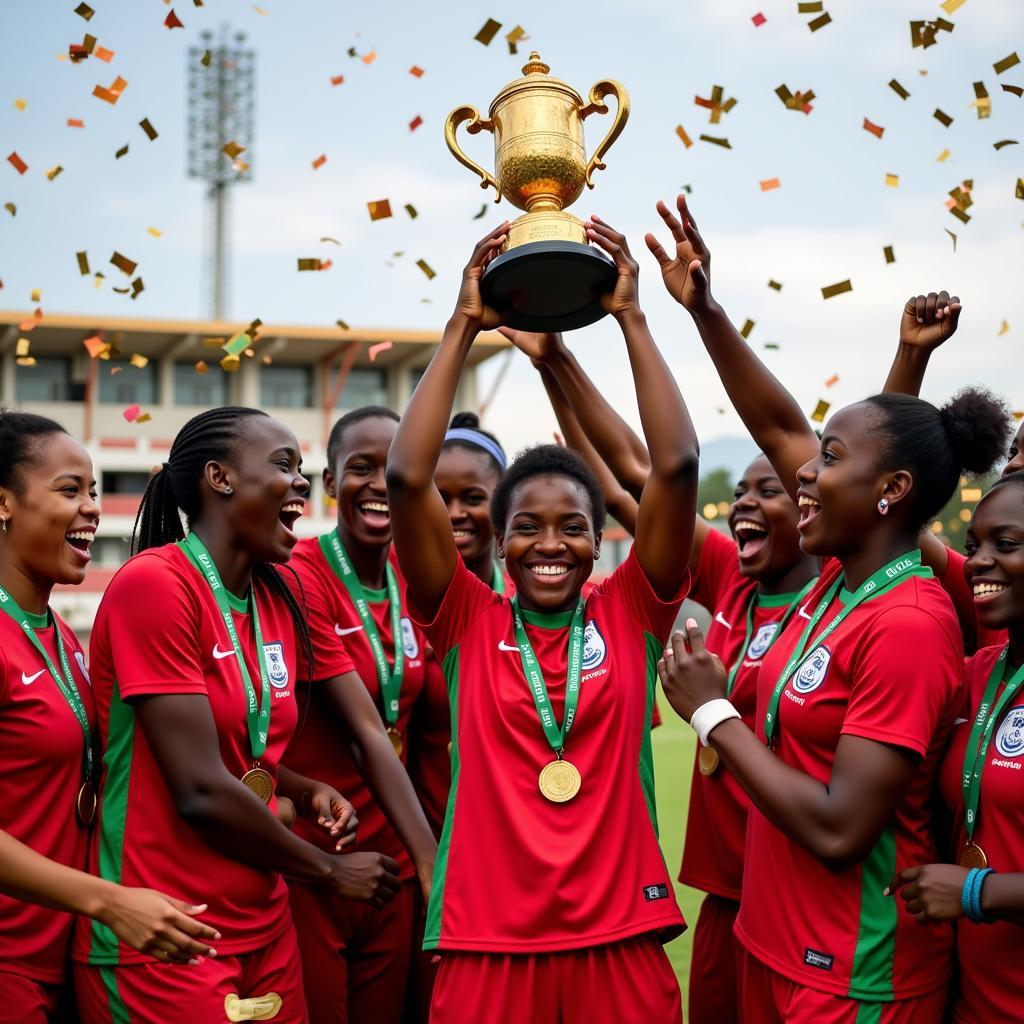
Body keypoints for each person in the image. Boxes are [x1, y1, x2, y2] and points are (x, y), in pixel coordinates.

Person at [652, 194, 1012, 1022]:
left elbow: (841, 830)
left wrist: (711, 714)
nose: (804, 474)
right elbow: (787, 427)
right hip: (772, 945)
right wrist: (705, 311)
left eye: (830, 458)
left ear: (889, 494)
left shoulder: (912, 623)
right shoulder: (836, 588)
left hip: (856, 975)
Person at [386, 219, 699, 1023]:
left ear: (603, 540)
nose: (549, 544)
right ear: (498, 536)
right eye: (526, 525)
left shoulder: (633, 609)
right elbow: (406, 473)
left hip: (620, 936)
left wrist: (632, 316)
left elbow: (676, 466)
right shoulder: (463, 616)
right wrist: (463, 324)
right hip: (487, 941)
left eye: (572, 526)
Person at [500, 322, 819, 1024]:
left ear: (816, 506)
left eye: (770, 490)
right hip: (727, 891)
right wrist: (558, 365)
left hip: (806, 894)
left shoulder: (835, 603)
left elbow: (653, 473)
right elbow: (626, 481)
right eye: (740, 489)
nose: (742, 503)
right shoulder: (732, 580)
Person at [72, 406, 400, 1024]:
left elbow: (238, 754)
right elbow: (198, 789)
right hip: (165, 931)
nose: (301, 483)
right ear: (220, 478)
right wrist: (329, 871)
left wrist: (301, 791)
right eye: (283, 465)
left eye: (302, 469)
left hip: (266, 924)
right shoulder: (156, 584)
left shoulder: (279, 594)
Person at [0, 411, 219, 1022]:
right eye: (70, 490)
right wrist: (107, 901)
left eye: (94, 491)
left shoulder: (63, 641)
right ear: (3, 503)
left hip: (66, 954)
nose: (92, 508)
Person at [282, 405, 438, 1024]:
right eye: (359, 468)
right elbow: (363, 727)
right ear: (329, 484)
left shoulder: (418, 578)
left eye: (392, 469)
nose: (378, 484)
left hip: (394, 865)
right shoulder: (301, 575)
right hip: (319, 859)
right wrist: (435, 862)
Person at [892, 470, 1024, 1023]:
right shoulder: (976, 673)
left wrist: (978, 892)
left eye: (1007, 544)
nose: (978, 562)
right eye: (972, 547)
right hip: (970, 996)